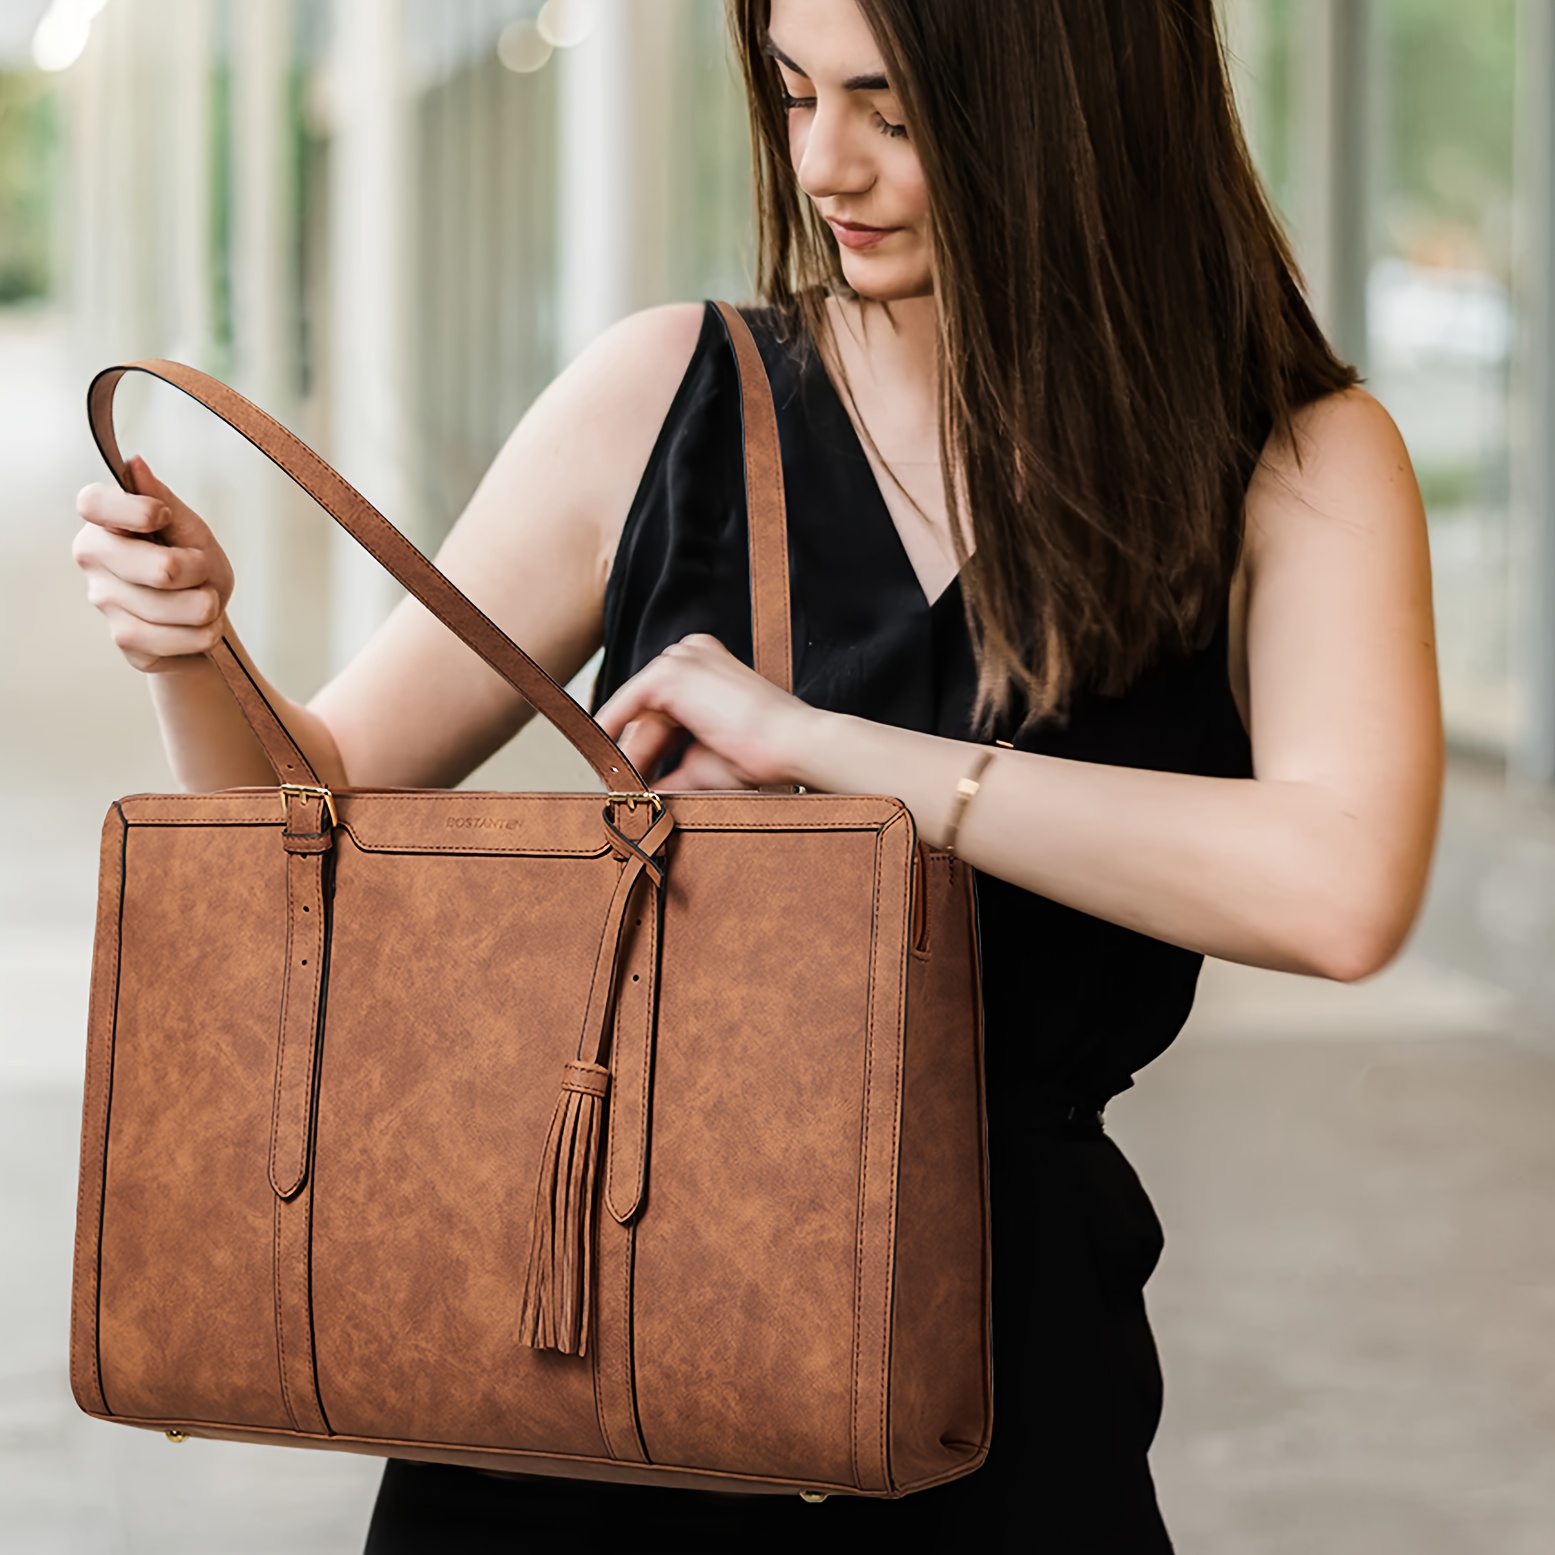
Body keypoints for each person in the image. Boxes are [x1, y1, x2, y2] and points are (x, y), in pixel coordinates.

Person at [72, 0, 1442, 1548]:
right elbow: (307, 798)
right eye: (793, 95)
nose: (823, 164)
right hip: (589, 1360)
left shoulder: (1294, 461)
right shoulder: (669, 393)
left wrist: (836, 754)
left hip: (994, 1381)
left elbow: (1340, 888)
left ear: (1079, 112)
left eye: (893, 112)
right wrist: (193, 651)